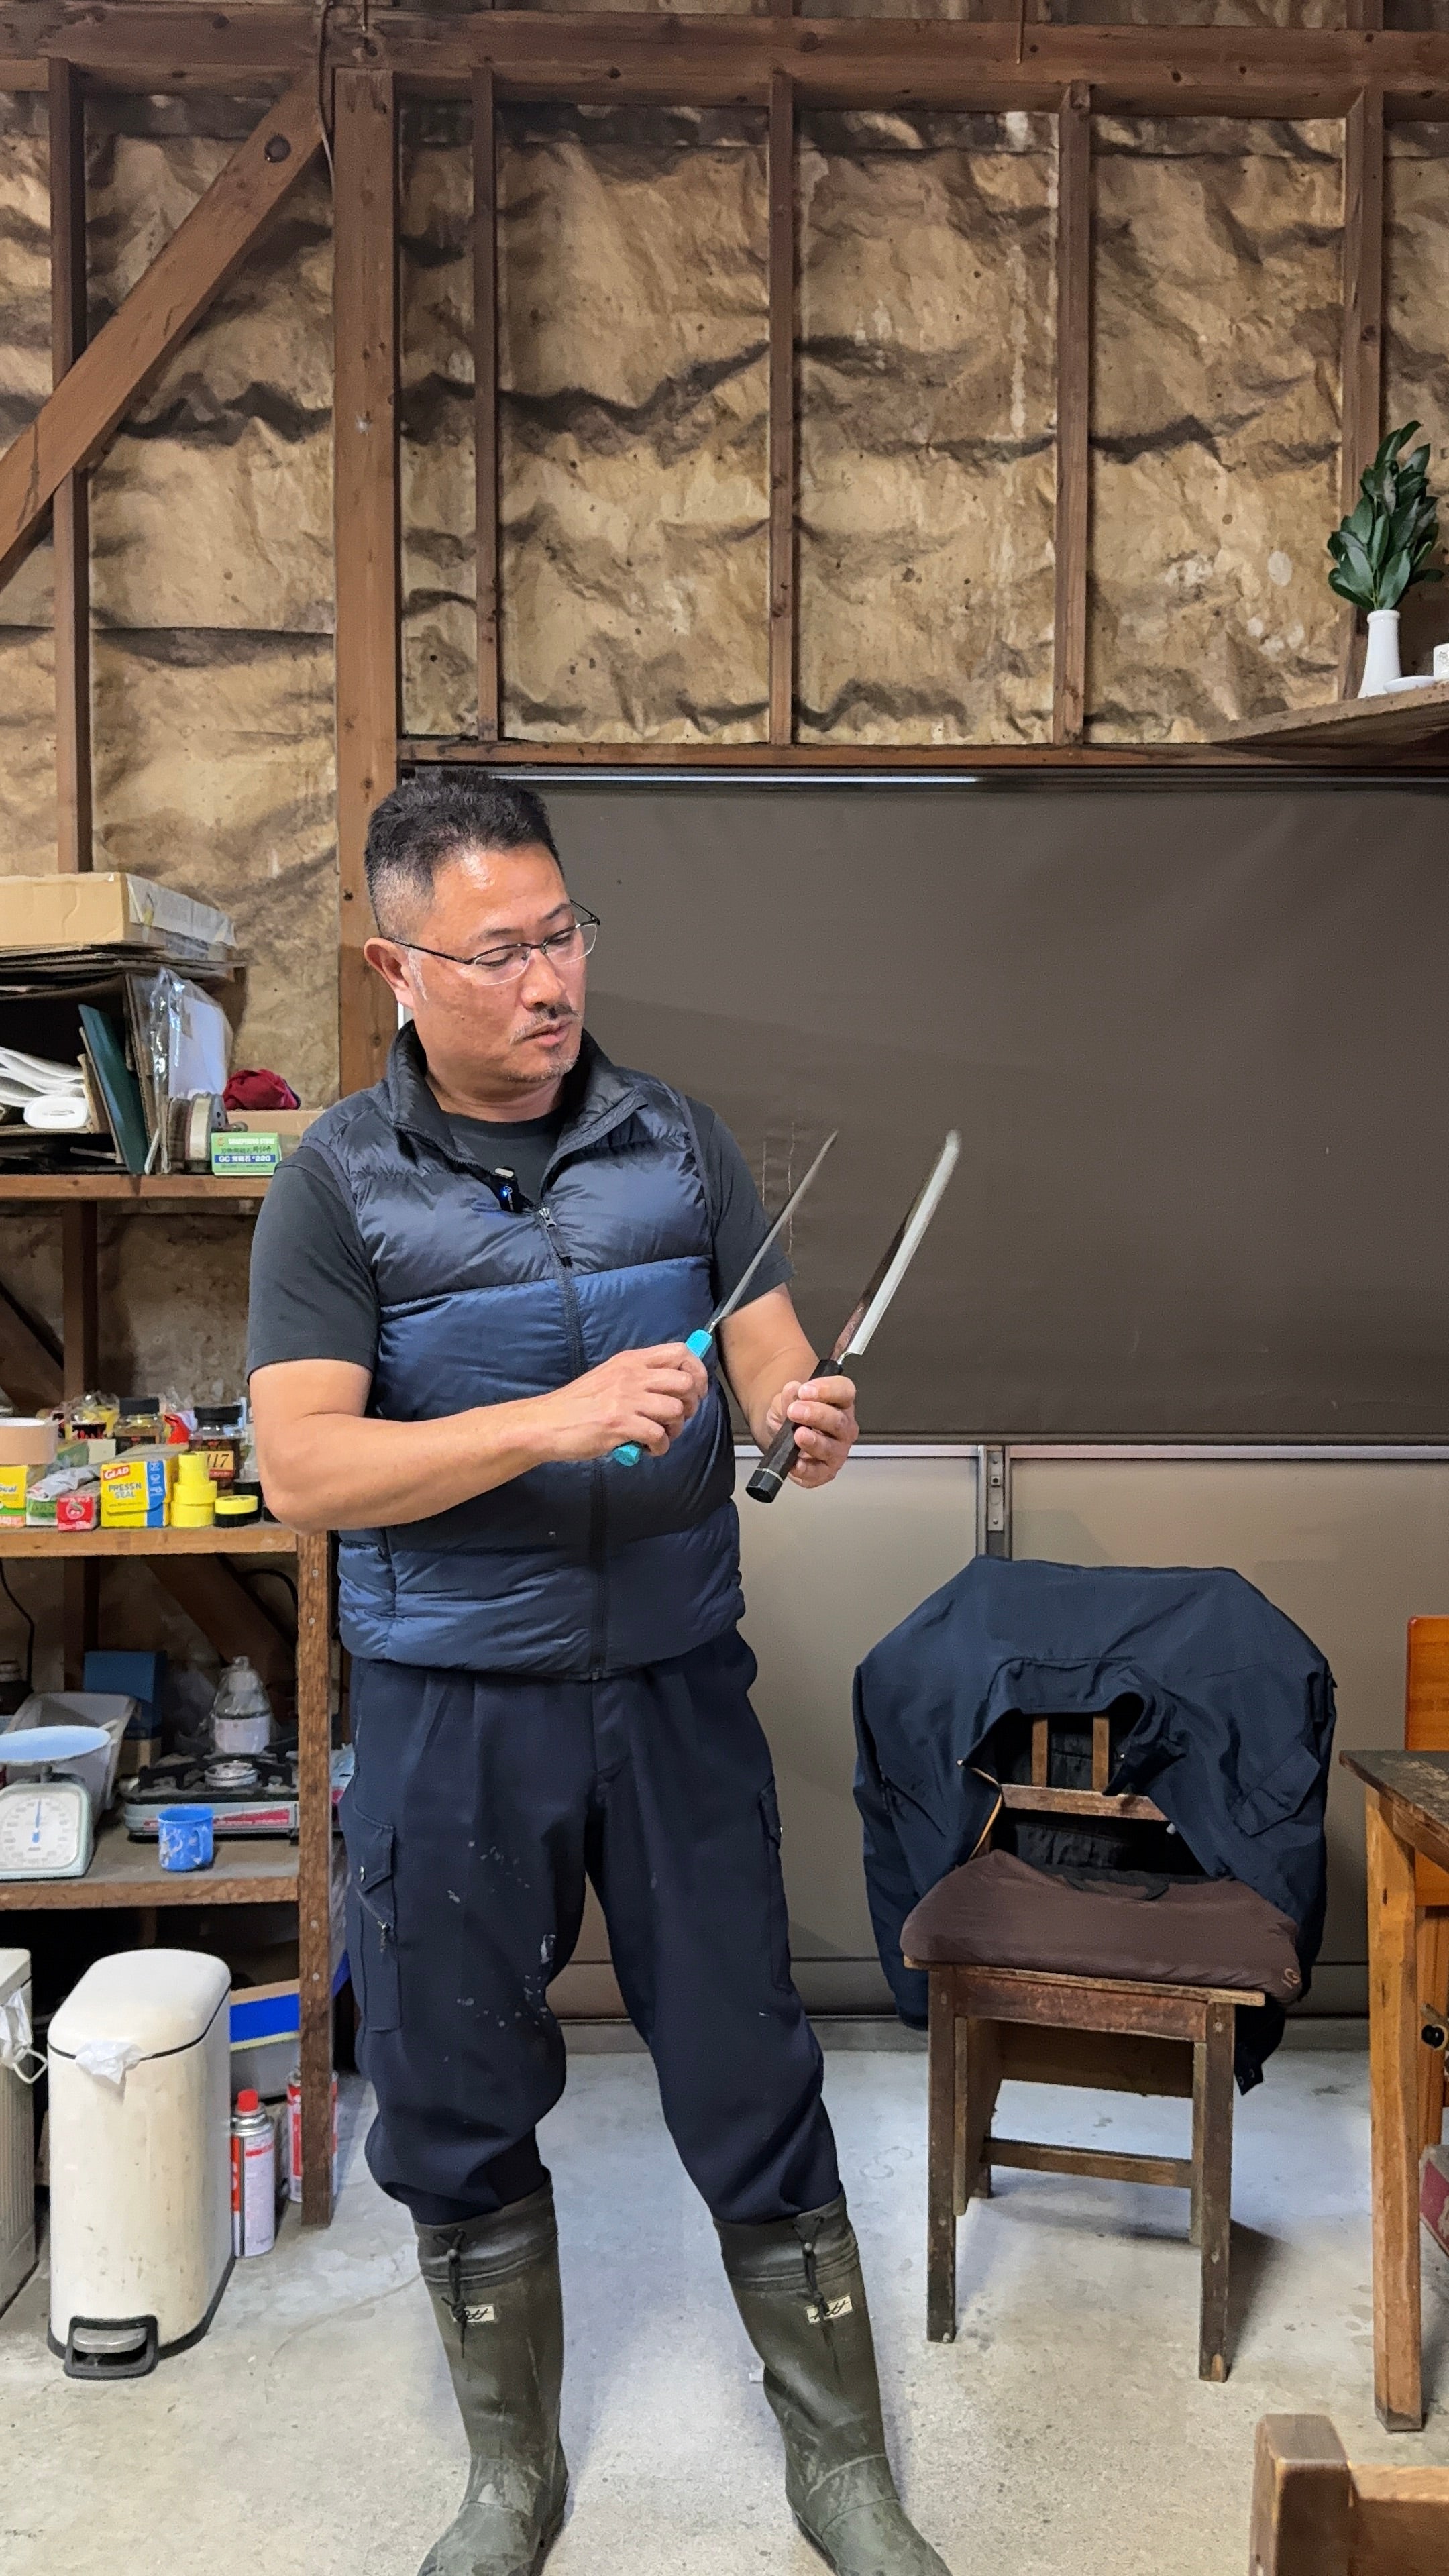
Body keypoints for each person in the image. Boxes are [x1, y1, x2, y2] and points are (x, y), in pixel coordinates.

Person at [248, 773, 950, 2576]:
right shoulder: (333, 1185)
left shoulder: (678, 1138)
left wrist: (810, 1417)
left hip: (668, 1691)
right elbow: (305, 1471)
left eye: (564, 935)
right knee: (454, 2080)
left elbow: (779, 1376)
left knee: (749, 2059)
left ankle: (844, 2473)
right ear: (397, 966)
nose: (548, 980)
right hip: (449, 1710)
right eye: (499, 953)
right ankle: (509, 2478)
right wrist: (548, 1420)